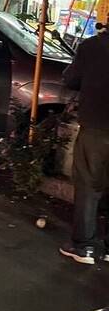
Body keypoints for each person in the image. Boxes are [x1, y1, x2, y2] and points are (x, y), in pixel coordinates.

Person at [59, 21, 109, 265]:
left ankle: (84, 245)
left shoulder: (92, 46)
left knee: (89, 184)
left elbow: (71, 79)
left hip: (97, 128)